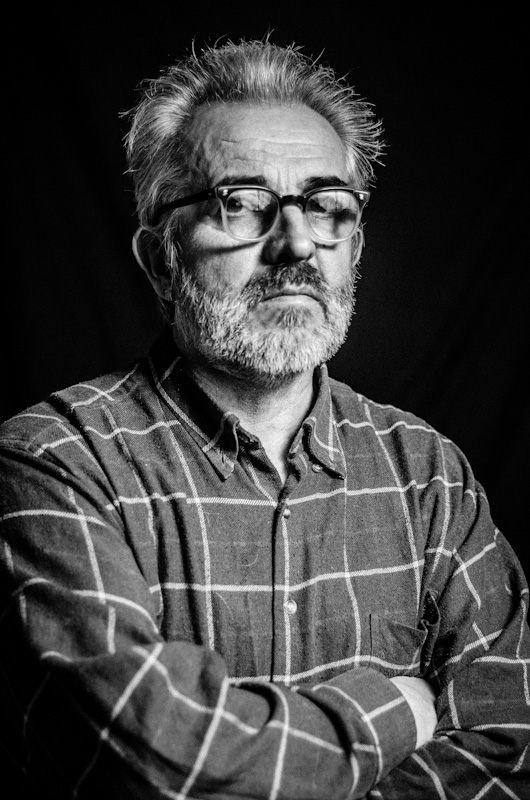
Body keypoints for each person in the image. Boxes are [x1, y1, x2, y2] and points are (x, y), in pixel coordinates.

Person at [0, 38, 528, 800]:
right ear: (159, 258)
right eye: (240, 203)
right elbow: (150, 758)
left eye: (326, 206)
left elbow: (510, 742)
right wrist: (400, 711)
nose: (297, 243)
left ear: (354, 244)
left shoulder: (430, 476)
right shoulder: (54, 461)